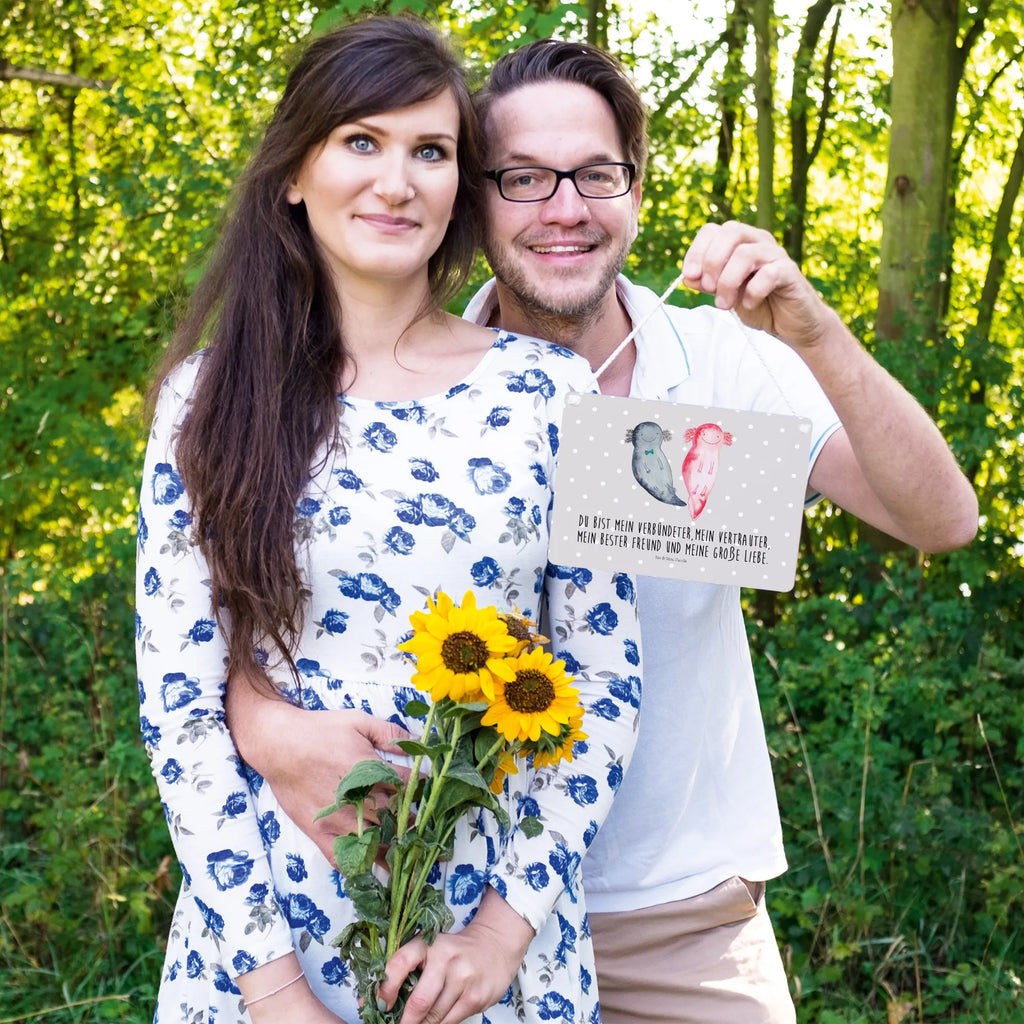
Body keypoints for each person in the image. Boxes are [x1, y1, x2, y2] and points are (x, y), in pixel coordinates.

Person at [226, 36, 979, 1024]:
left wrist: (808, 326)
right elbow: (277, 619)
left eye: (594, 174)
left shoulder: (714, 359)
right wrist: (259, 716)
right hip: (456, 906)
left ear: (636, 185)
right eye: (525, 178)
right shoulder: (409, 381)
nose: (565, 208)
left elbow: (940, 519)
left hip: (677, 917)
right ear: (473, 196)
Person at [136, 19, 641, 1024]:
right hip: (266, 936)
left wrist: (498, 935)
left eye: (432, 152)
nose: (397, 181)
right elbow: (180, 709)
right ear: (293, 172)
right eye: (361, 142)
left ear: (460, 187)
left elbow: (606, 680)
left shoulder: (557, 392)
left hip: (487, 947)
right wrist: (276, 994)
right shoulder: (207, 399)